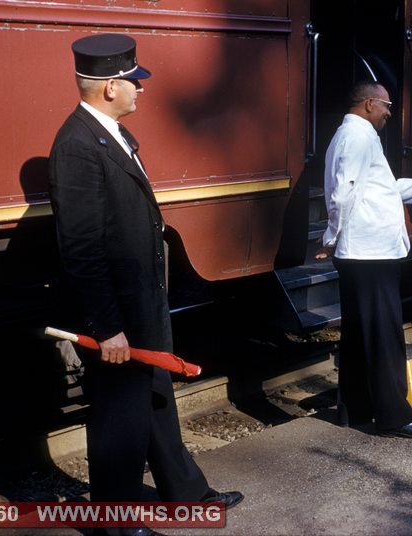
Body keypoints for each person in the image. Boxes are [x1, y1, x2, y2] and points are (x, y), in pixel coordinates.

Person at [48, 33, 242, 534]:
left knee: (154, 396)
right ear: (111, 86)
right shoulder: (75, 146)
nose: (142, 89)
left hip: (141, 300)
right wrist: (106, 326)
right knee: (118, 416)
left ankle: (186, 494)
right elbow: (82, 247)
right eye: (134, 81)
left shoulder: (112, 134)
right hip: (118, 312)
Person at [316, 81, 412, 438]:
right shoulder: (358, 137)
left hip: (365, 251)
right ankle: (395, 417)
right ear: (368, 104)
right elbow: (344, 191)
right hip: (368, 251)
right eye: (386, 106)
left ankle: (357, 408)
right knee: (383, 334)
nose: (389, 113)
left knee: (360, 333)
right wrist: (331, 237)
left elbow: (381, 187)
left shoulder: (353, 135)